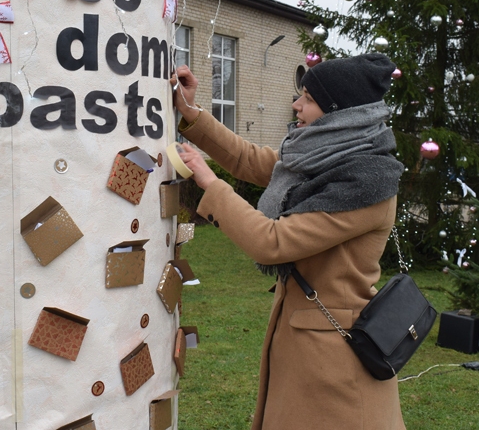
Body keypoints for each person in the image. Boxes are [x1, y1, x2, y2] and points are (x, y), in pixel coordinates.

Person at [170, 53, 406, 430]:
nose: (296, 105)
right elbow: (250, 160)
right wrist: (190, 112)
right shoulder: (325, 157)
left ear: (338, 114)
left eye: (309, 99)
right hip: (309, 346)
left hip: (336, 363)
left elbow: (272, 242)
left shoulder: (367, 184)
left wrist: (212, 186)